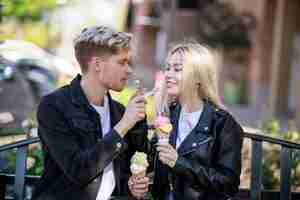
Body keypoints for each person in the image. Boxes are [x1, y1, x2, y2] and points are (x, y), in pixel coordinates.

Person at [32, 26, 149, 200]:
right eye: (122, 62)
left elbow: (126, 169)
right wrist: (124, 124)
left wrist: (132, 185)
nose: (128, 70)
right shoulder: (53, 106)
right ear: (97, 65)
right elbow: (80, 171)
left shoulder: (119, 111)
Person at [150, 42, 244, 200]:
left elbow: (228, 184)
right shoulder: (168, 114)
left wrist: (179, 163)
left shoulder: (223, 124)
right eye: (167, 68)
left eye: (177, 69)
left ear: (198, 78)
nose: (168, 74)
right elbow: (150, 159)